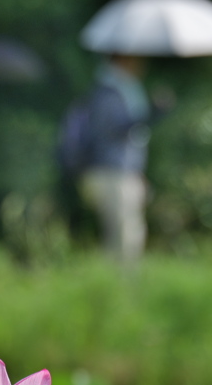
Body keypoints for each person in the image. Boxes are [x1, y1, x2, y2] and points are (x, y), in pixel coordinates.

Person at [64, 55, 151, 262]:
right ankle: (118, 289)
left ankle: (121, 286)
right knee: (122, 235)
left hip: (123, 171)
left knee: (127, 233)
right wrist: (150, 116)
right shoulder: (107, 94)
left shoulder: (126, 90)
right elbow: (112, 131)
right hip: (110, 172)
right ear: (123, 61)